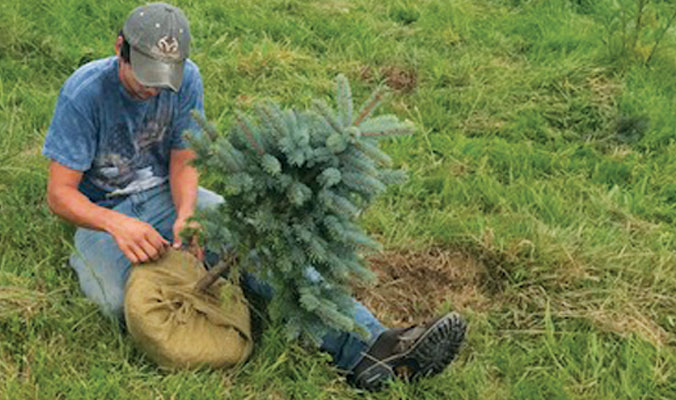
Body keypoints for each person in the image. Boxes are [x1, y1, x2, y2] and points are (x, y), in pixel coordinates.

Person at [42, 2, 466, 392]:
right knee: (118, 304)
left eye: (162, 80)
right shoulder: (84, 94)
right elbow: (60, 195)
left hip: (166, 195)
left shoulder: (185, 78)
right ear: (121, 48)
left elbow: (183, 158)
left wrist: (187, 213)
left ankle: (374, 348)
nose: (154, 91)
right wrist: (117, 225)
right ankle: (193, 273)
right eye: (145, 77)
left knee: (260, 245)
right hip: (102, 212)